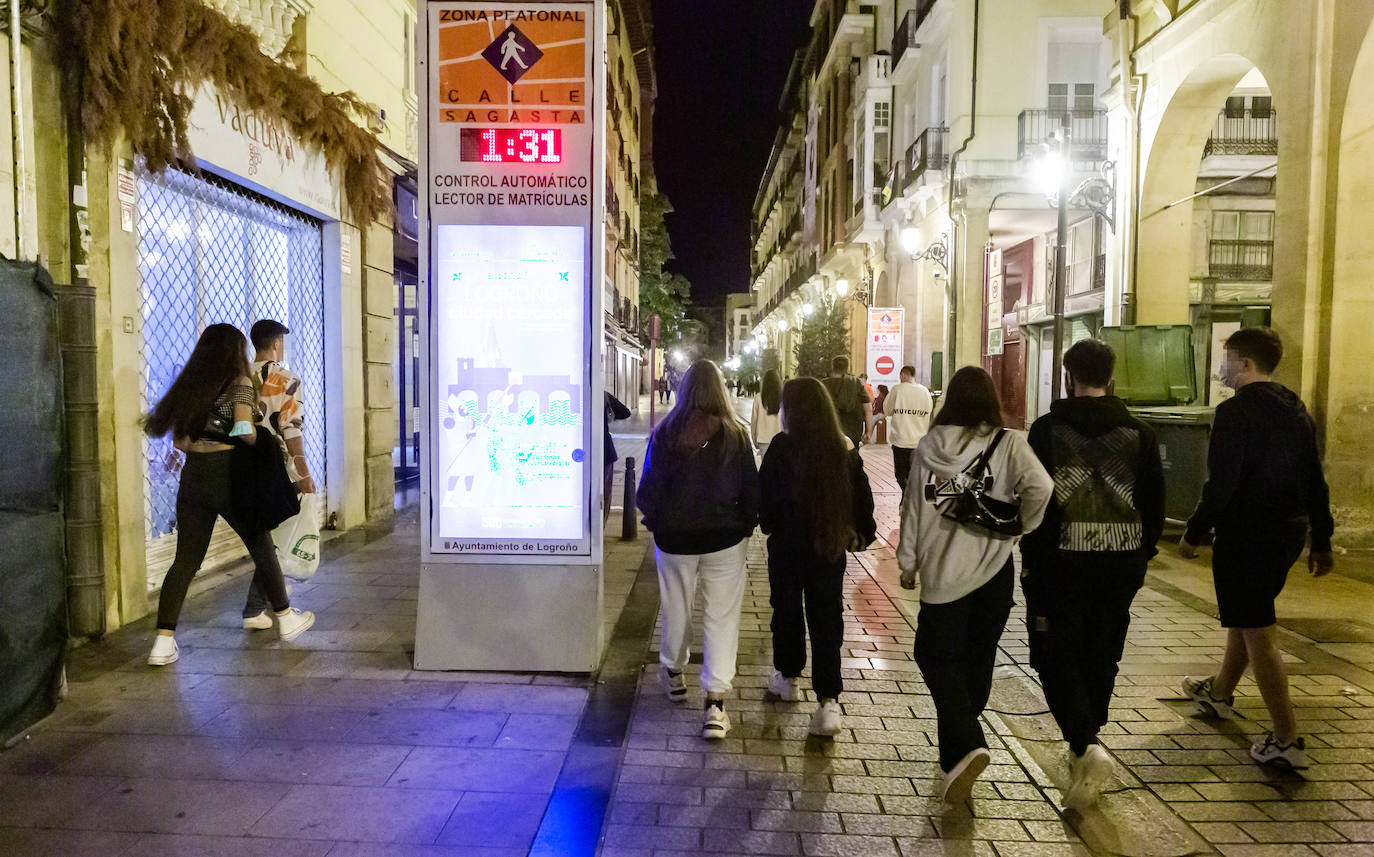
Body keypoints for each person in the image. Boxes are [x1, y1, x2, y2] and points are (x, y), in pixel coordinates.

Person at [1179, 327, 1334, 770]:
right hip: (1286, 533)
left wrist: (1195, 532)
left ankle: (1286, 738)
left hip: (1246, 536)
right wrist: (1321, 538)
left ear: (1244, 363)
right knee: (1248, 618)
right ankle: (1221, 693)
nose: (1222, 367)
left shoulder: (1234, 413)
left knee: (1259, 631)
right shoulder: (1296, 411)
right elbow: (1314, 479)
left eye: (1226, 359)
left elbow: (1221, 483)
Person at [1020, 339, 1165, 809]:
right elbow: (1154, 501)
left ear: (1068, 377)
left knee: (1054, 652)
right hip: (1121, 563)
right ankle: (1088, 738)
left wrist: (1032, 553)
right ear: (1111, 377)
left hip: (1060, 565)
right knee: (1103, 649)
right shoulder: (1140, 433)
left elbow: (1034, 499)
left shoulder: (1046, 430)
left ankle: (1085, 743)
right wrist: (1143, 550)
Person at [897, 366, 1052, 803]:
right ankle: (960, 750)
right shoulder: (1010, 443)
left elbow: (914, 508)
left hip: (945, 574)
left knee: (932, 653)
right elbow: (1042, 487)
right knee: (977, 657)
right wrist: (1019, 525)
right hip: (994, 573)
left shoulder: (929, 447)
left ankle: (965, 742)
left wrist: (908, 562)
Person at [143, 324, 314, 666]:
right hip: (228, 474)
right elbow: (245, 431)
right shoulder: (239, 384)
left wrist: (205, 438)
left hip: (193, 477)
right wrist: (245, 435)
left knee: (185, 561)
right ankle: (285, 618)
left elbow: (180, 442)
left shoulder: (192, 387)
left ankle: (162, 642)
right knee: (261, 543)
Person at [636, 360, 760, 740]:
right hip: (724, 539)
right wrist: (745, 525)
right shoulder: (737, 434)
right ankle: (716, 704)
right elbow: (751, 489)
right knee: (722, 617)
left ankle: (673, 673)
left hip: (675, 539)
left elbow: (647, 490)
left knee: (676, 606)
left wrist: (656, 520)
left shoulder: (667, 432)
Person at [760, 378, 876, 736]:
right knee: (827, 620)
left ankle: (788, 677)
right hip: (828, 547)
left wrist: (770, 524)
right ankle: (828, 702)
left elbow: (765, 503)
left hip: (787, 547)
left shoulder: (781, 447)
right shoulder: (841, 447)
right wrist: (859, 532)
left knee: (787, 610)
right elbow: (863, 500)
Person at [242, 319, 317, 630]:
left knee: (266, 536)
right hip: (276, 467)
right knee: (277, 539)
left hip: (244, 464)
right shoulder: (286, 380)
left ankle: (263, 607)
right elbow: (291, 430)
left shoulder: (239, 376)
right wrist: (303, 472)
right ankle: (258, 608)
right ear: (276, 344)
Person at [884, 365, 934, 496]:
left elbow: (887, 410)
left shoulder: (897, 389)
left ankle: (908, 498)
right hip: (919, 440)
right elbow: (929, 412)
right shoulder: (925, 392)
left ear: (903, 375)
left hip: (900, 439)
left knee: (901, 474)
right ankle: (910, 499)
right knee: (915, 474)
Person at [821, 356, 871, 449]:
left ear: (833, 366)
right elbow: (868, 409)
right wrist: (868, 432)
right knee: (851, 459)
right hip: (853, 430)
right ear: (847, 367)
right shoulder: (856, 383)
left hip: (828, 430)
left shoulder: (822, 384)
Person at [603, 391, 632, 522]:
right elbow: (625, 412)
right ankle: (600, 526)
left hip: (579, 451)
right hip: (604, 451)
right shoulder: (602, 395)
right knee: (603, 493)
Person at [751, 369, 783, 453]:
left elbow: (754, 420)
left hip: (763, 439)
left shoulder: (759, 398)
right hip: (780, 440)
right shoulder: (783, 398)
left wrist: (754, 439)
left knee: (766, 465)